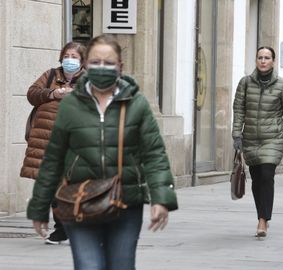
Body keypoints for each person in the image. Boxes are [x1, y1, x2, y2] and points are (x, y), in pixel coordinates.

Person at [27, 34, 178, 269]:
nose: (102, 67)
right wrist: (39, 205)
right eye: (96, 61)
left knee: (121, 265)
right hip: (80, 200)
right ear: (87, 65)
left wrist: (161, 198)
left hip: (126, 203)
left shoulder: (136, 104)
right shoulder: (70, 105)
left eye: (108, 63)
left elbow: (154, 153)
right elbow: (54, 157)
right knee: (88, 266)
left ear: (120, 67)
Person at [20, 41, 86, 244]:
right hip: (45, 143)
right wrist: (52, 93)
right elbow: (32, 94)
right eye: (67, 56)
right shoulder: (50, 75)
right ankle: (64, 228)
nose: (70, 60)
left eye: (75, 57)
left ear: (82, 61)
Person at [232, 46, 283, 237]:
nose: (263, 61)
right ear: (256, 60)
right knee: (256, 180)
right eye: (260, 57)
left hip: (273, 138)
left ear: (273, 61)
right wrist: (237, 134)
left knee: (266, 175)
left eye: (267, 57)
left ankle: (263, 220)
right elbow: (238, 110)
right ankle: (261, 216)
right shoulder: (245, 83)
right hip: (251, 138)